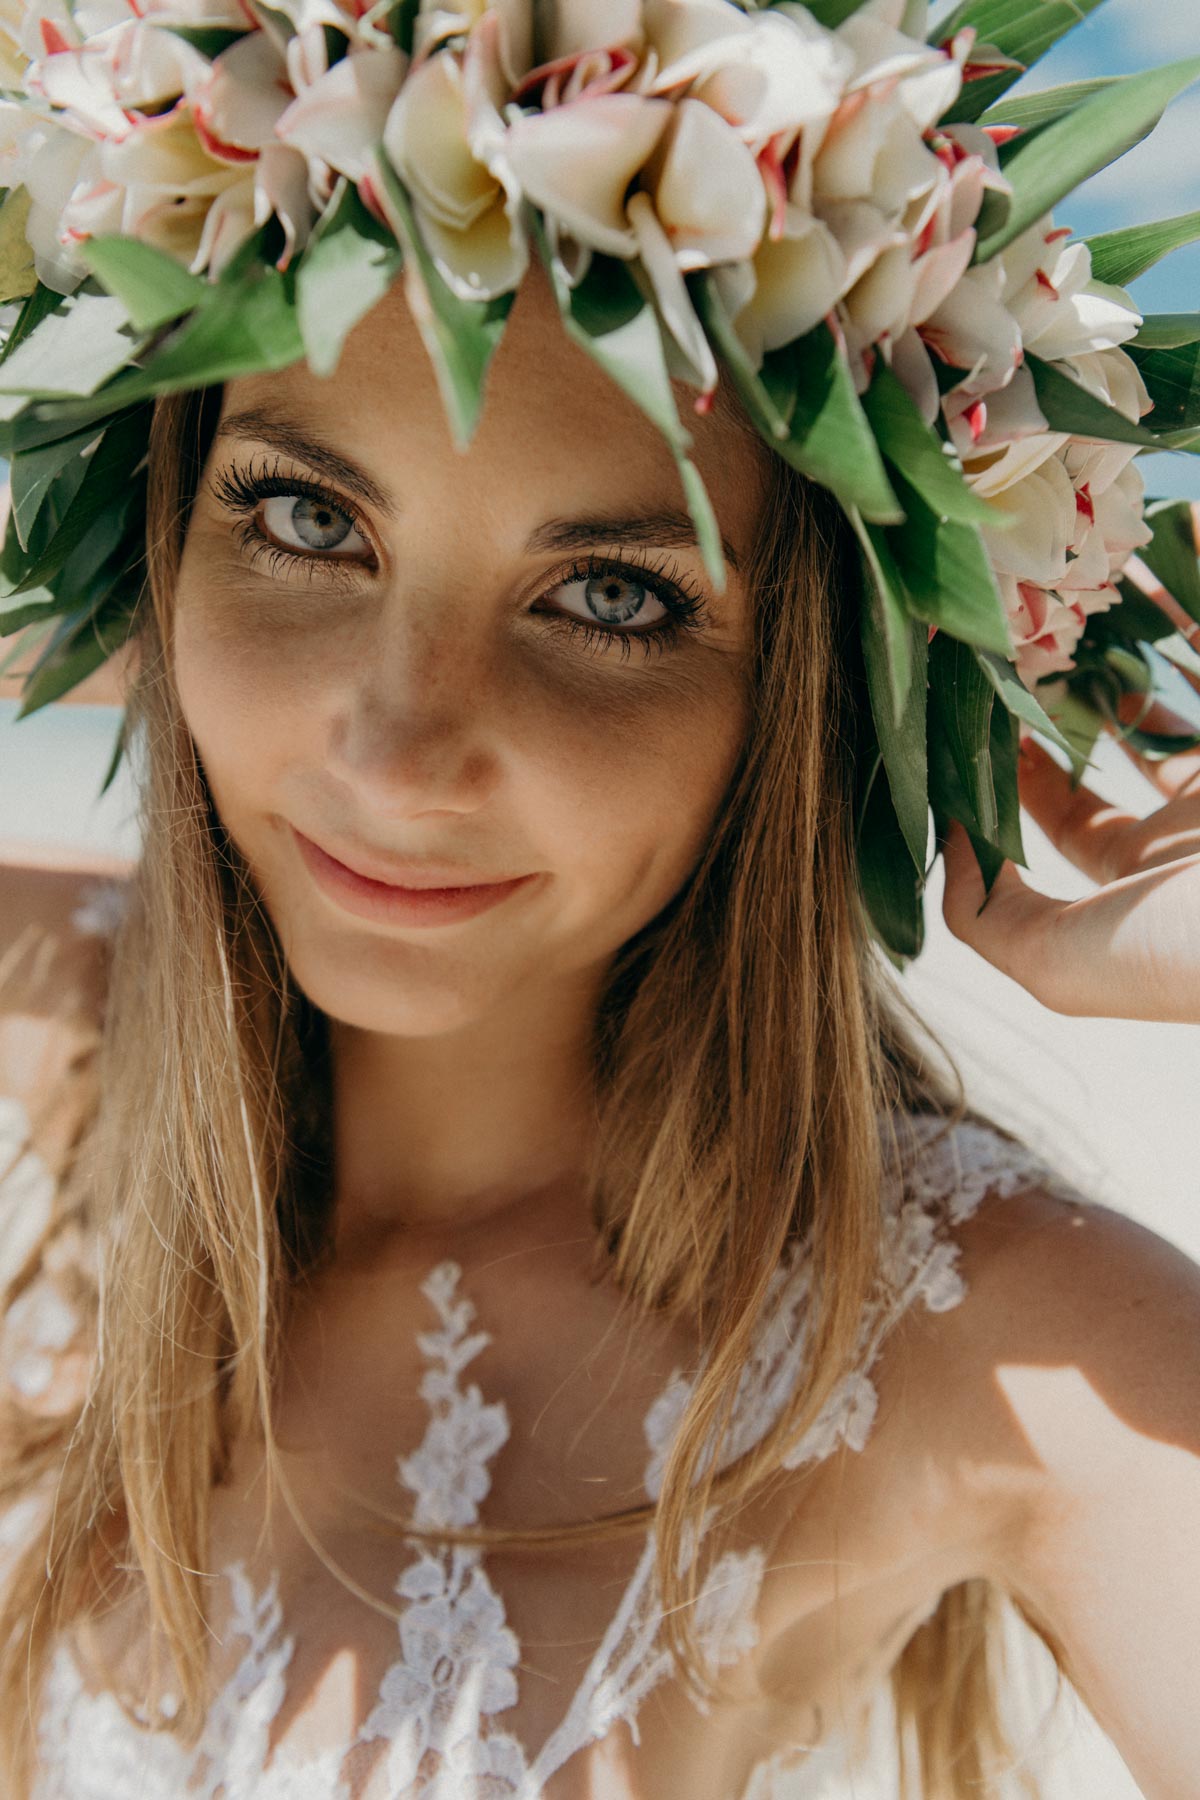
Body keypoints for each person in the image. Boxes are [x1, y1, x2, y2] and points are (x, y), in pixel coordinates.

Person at [1, 253, 1199, 1800]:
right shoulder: (32, 1024)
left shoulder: (984, 1337)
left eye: (612, 596)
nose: (399, 753)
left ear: (809, 680)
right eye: (309, 519)